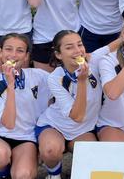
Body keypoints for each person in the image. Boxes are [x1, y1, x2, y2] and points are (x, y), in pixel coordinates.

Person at [35, 30, 102, 179]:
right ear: (59, 54)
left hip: (84, 129)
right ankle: (54, 174)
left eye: (80, 44)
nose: (78, 50)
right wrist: (82, 81)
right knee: (51, 150)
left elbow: (116, 44)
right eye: (69, 47)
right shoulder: (55, 78)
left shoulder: (95, 63)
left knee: (92, 158)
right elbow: (76, 116)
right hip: (55, 124)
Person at [0, 33, 50, 179]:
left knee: (23, 175)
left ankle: (23, 161)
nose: (13, 55)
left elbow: (61, 84)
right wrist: (11, 84)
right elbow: (8, 124)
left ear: (26, 56)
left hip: (26, 137)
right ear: (0, 52)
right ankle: (3, 174)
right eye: (8, 49)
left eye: (20, 50)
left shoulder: (38, 76)